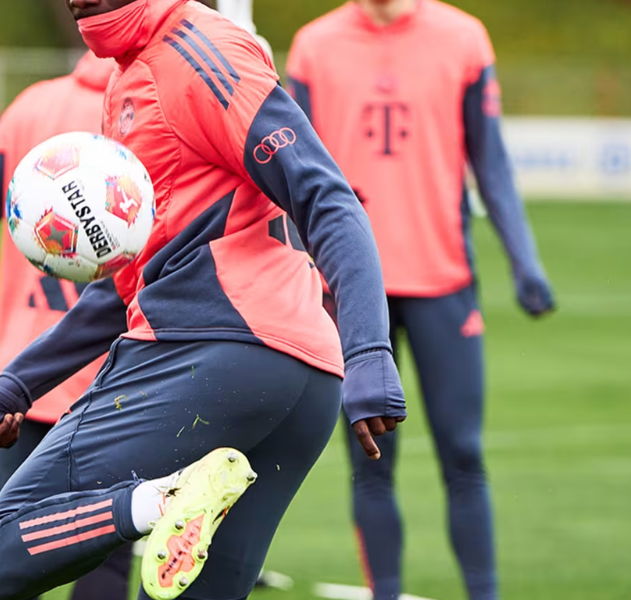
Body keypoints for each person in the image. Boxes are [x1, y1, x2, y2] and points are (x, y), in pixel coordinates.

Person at [0, 1, 407, 600]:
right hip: (296, 377)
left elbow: (326, 196)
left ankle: (160, 500)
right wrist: (20, 383)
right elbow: (135, 280)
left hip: (209, 355)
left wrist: (371, 348)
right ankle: (166, 499)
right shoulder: (136, 70)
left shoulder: (200, 53)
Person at [285, 2, 555, 599]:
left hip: (444, 283)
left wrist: (524, 259)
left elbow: (490, 161)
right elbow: (291, 173)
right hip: (350, 293)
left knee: (464, 454)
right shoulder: (313, 47)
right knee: (372, 465)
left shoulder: (464, 39)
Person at [0, 51, 135, 600]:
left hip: (27, 379)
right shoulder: (153, 107)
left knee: (11, 557)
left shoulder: (36, 104)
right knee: (103, 553)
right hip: (119, 377)